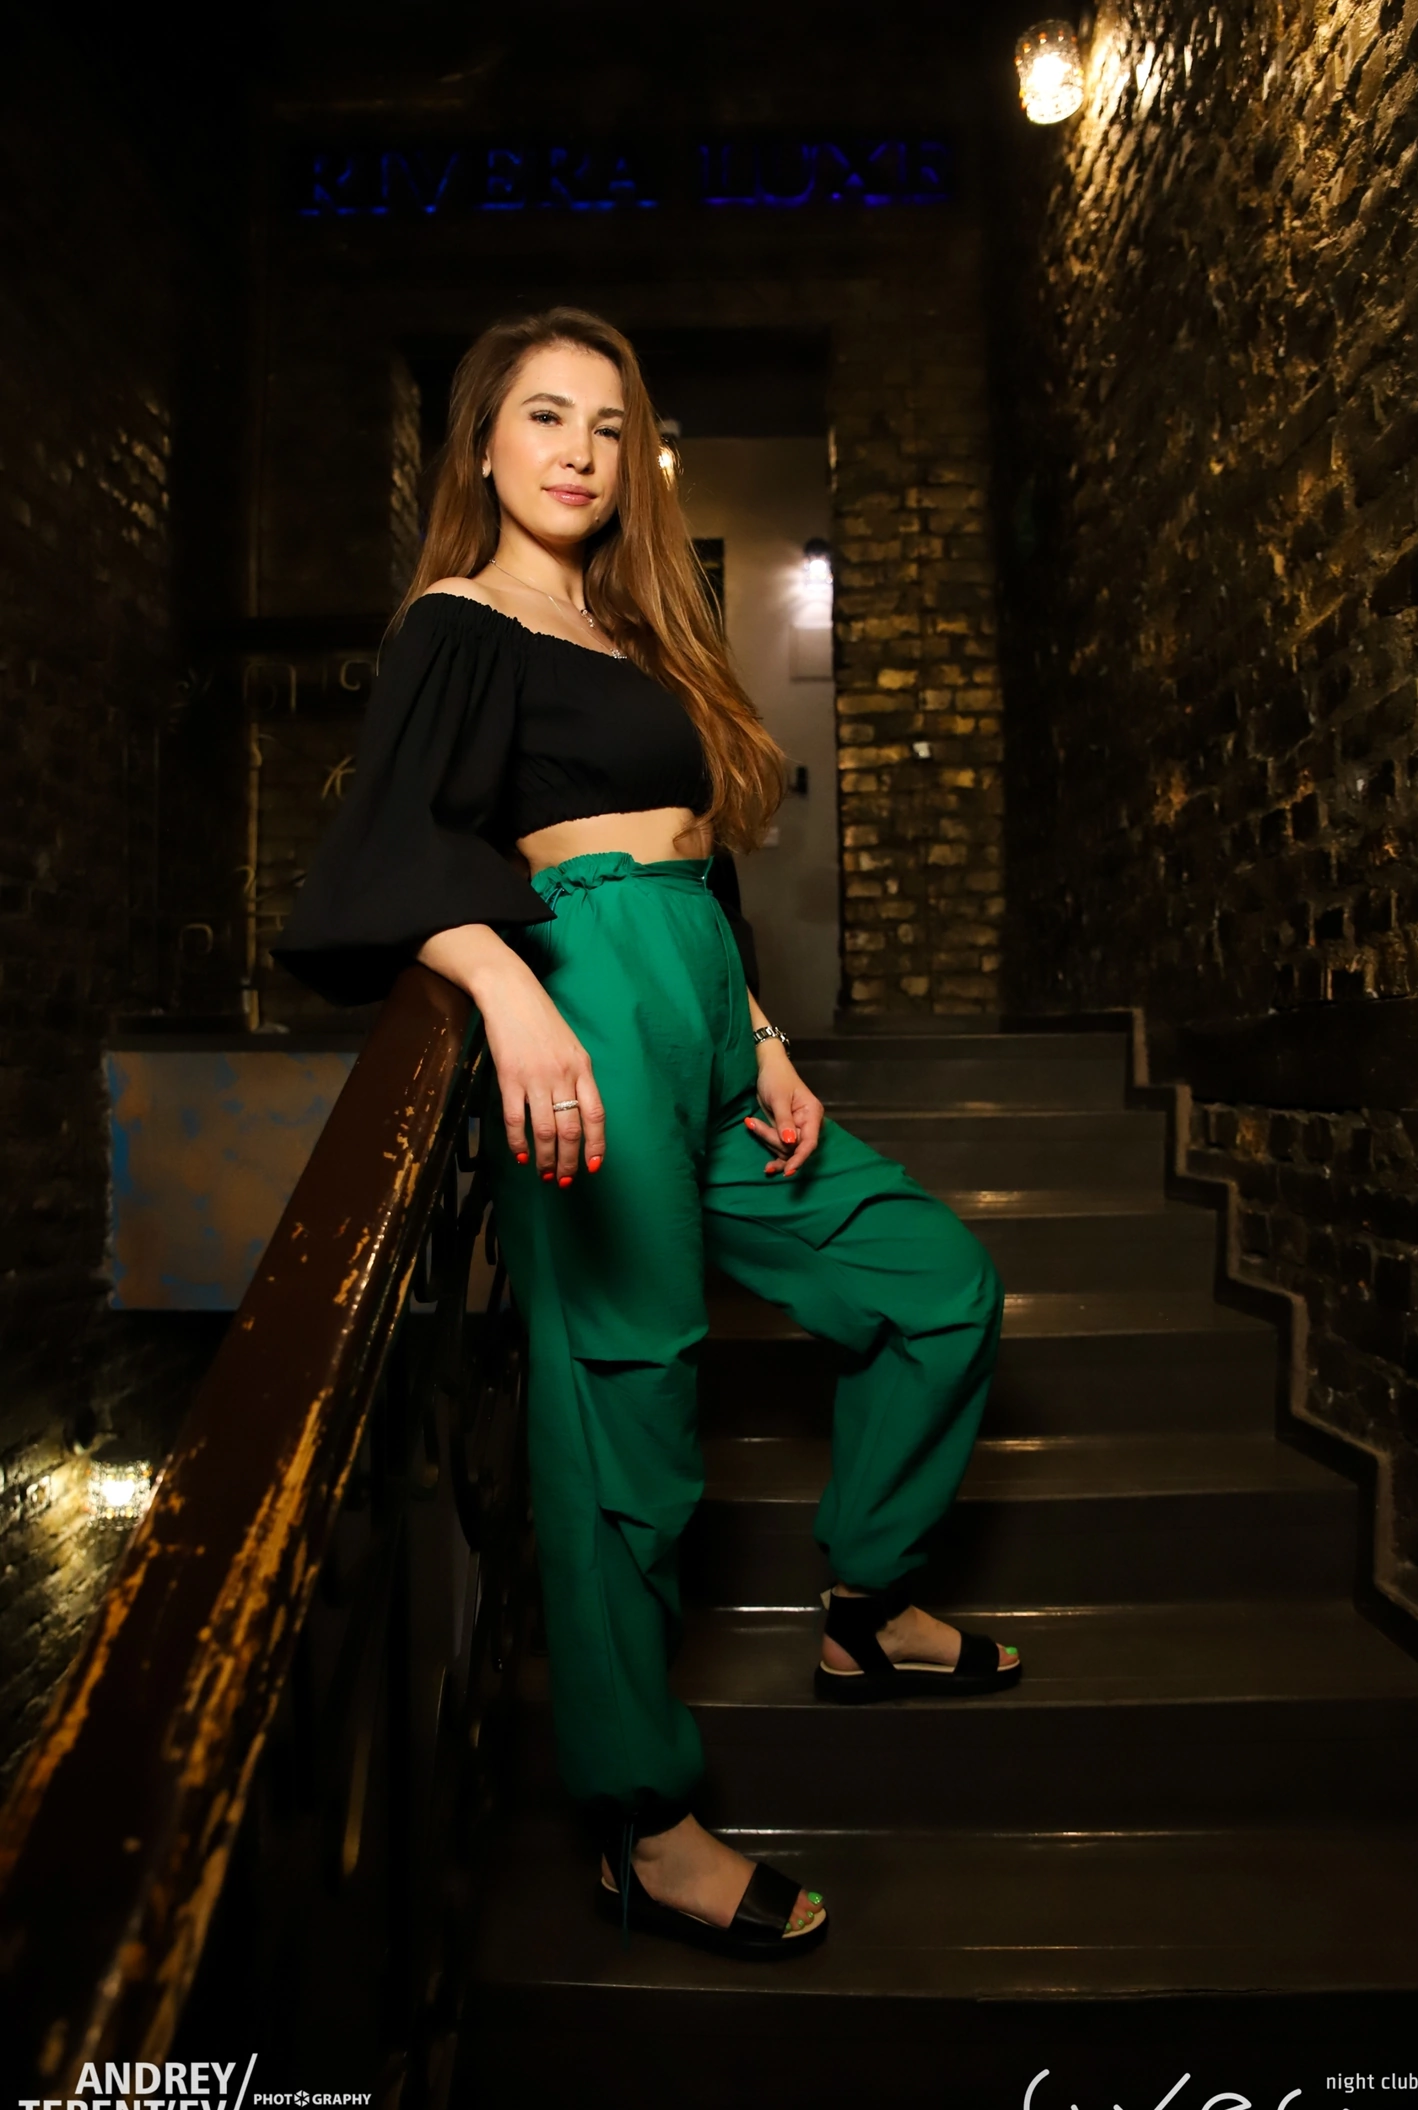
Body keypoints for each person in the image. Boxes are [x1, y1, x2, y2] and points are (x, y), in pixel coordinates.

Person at [275, 305, 1015, 1962]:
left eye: (610, 426)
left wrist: (760, 1034)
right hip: (583, 993)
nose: (581, 453)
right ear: (482, 446)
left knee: (934, 1285)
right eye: (546, 417)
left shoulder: (633, 628)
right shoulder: (458, 625)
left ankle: (865, 1598)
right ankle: (642, 1823)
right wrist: (508, 988)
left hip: (697, 993)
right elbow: (384, 850)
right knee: (627, 1421)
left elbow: (702, 856)